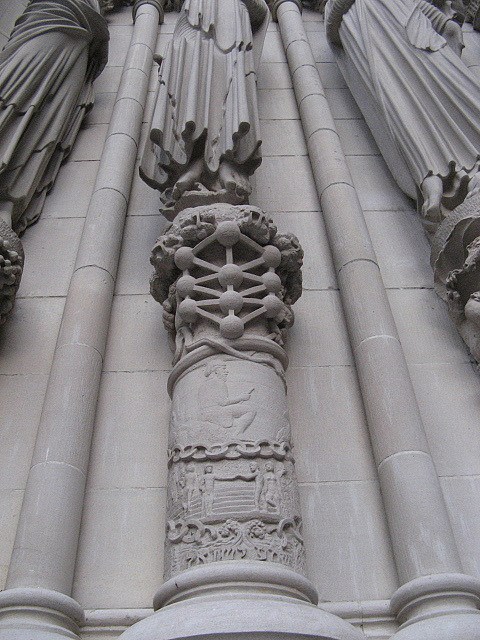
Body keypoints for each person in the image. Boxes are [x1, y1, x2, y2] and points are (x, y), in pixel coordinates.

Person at [326, 0, 480, 230]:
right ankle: (433, 180)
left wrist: (450, 37)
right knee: (404, 111)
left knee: (456, 93)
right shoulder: (343, 8)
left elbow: (443, 24)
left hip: (424, 42)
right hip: (382, 49)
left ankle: (468, 170)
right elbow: (333, 26)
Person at [0, 0, 108, 320]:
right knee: (14, 102)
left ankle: (7, 209)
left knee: (43, 130)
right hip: (46, 30)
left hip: (76, 48)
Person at [140, 0, 269, 219]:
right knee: (190, 94)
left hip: (232, 27)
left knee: (227, 91)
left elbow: (260, 10)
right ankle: (195, 163)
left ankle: (223, 164)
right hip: (191, 29)